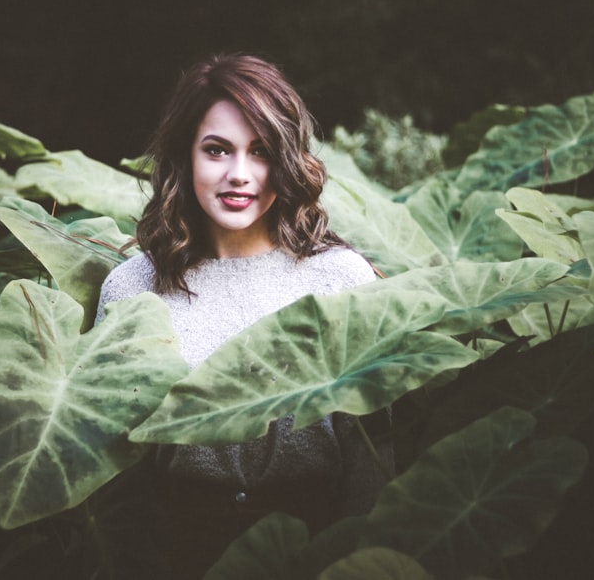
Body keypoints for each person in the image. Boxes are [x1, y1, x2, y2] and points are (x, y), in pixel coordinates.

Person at [96, 53, 391, 578]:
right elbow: (114, 474)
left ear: (288, 159)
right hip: (172, 554)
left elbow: (371, 460)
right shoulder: (132, 288)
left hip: (314, 548)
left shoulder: (339, 279)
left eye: (261, 152)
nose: (240, 175)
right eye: (217, 150)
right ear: (184, 157)